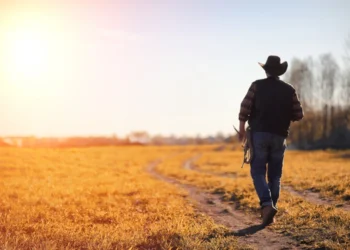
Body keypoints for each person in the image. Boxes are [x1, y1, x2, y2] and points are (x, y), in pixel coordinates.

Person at [238, 55, 304, 226]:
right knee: (275, 176)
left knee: (258, 171)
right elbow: (299, 114)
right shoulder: (289, 90)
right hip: (279, 136)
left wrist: (242, 128)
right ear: (279, 72)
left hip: (259, 134)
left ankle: (267, 206)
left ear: (266, 70)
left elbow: (245, 107)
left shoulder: (257, 86)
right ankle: (270, 212)